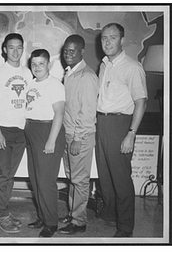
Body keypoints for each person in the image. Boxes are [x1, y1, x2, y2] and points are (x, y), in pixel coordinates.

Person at [95, 23, 148, 237]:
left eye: (113, 38)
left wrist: (131, 134)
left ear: (122, 40)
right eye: (104, 38)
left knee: (121, 178)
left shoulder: (133, 67)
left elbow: (141, 102)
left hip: (120, 125)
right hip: (102, 123)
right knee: (105, 175)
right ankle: (110, 215)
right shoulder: (104, 64)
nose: (107, 42)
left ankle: (125, 227)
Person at [0, 33, 33, 233]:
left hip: (22, 130)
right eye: (11, 47)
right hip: (4, 130)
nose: (15, 52)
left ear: (23, 49)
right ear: (5, 49)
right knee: (2, 175)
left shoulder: (28, 73)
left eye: (19, 48)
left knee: (10, 175)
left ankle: (4, 212)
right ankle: (0, 216)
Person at [57, 35, 99, 235]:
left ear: (82, 52)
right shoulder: (69, 73)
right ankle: (73, 213)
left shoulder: (87, 76)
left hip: (79, 135)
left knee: (80, 180)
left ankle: (79, 221)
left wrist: (77, 138)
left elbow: (88, 111)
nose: (68, 54)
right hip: (68, 132)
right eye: (66, 50)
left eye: (72, 51)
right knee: (72, 177)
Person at [25, 49, 65, 238]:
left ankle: (51, 222)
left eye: (41, 63)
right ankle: (42, 216)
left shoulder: (55, 84)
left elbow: (59, 113)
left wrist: (51, 140)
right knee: (35, 179)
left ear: (49, 65)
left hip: (48, 130)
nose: (37, 67)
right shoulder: (31, 84)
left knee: (46, 181)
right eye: (34, 64)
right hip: (33, 131)